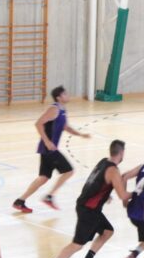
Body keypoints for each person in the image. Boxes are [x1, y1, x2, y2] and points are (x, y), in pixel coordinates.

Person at [39, 140, 134, 258]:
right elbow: (123, 195)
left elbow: (93, 182)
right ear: (121, 153)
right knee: (77, 244)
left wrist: (105, 195)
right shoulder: (114, 171)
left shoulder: (104, 162)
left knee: (107, 231)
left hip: (89, 207)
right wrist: (138, 193)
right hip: (88, 210)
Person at [13, 85, 90, 213]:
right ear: (59, 97)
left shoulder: (62, 109)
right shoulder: (53, 109)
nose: (68, 95)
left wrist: (81, 135)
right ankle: (49, 196)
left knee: (43, 178)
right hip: (49, 148)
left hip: (48, 149)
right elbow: (38, 123)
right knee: (69, 171)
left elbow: (66, 127)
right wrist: (47, 142)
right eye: (65, 94)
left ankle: (20, 201)